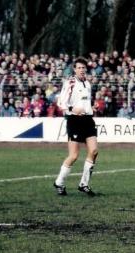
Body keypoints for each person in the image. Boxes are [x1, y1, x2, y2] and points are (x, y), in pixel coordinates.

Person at [53, 57, 98, 196]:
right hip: (74, 120)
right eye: (79, 68)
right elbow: (61, 102)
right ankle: (59, 182)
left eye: (84, 68)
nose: (82, 70)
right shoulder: (70, 82)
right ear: (74, 69)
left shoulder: (88, 83)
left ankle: (83, 184)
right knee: (73, 156)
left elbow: (84, 101)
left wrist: (90, 108)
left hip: (88, 120)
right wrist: (73, 108)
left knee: (94, 151)